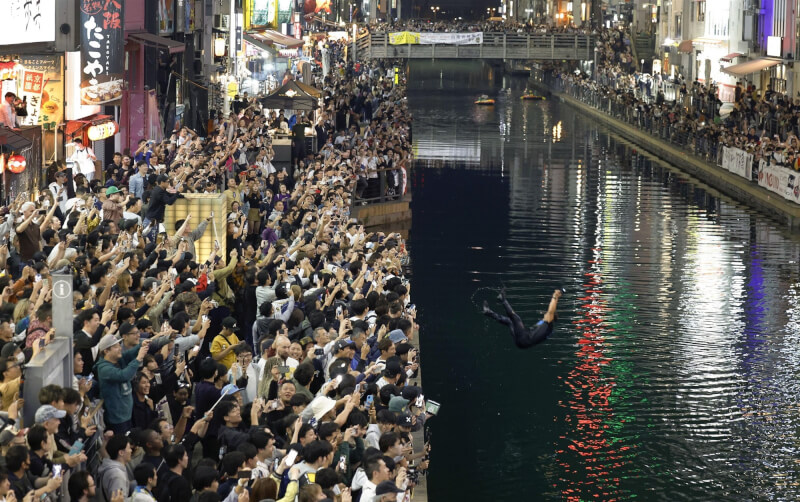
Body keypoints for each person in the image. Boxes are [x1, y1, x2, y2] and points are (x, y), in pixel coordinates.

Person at [95, 334, 149, 434]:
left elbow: (129, 353)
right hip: (117, 419)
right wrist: (138, 358)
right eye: (116, 347)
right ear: (106, 351)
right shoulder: (104, 369)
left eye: (119, 345)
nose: (120, 348)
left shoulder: (118, 360)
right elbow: (124, 376)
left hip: (127, 414)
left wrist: (141, 345)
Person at [483, 288, 563, 348]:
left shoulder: (548, 323)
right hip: (521, 343)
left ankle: (503, 299)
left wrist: (555, 296)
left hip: (525, 339)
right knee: (510, 322)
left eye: (547, 314)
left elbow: (551, 311)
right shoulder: (545, 324)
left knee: (516, 319)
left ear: (551, 318)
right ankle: (488, 312)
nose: (545, 314)